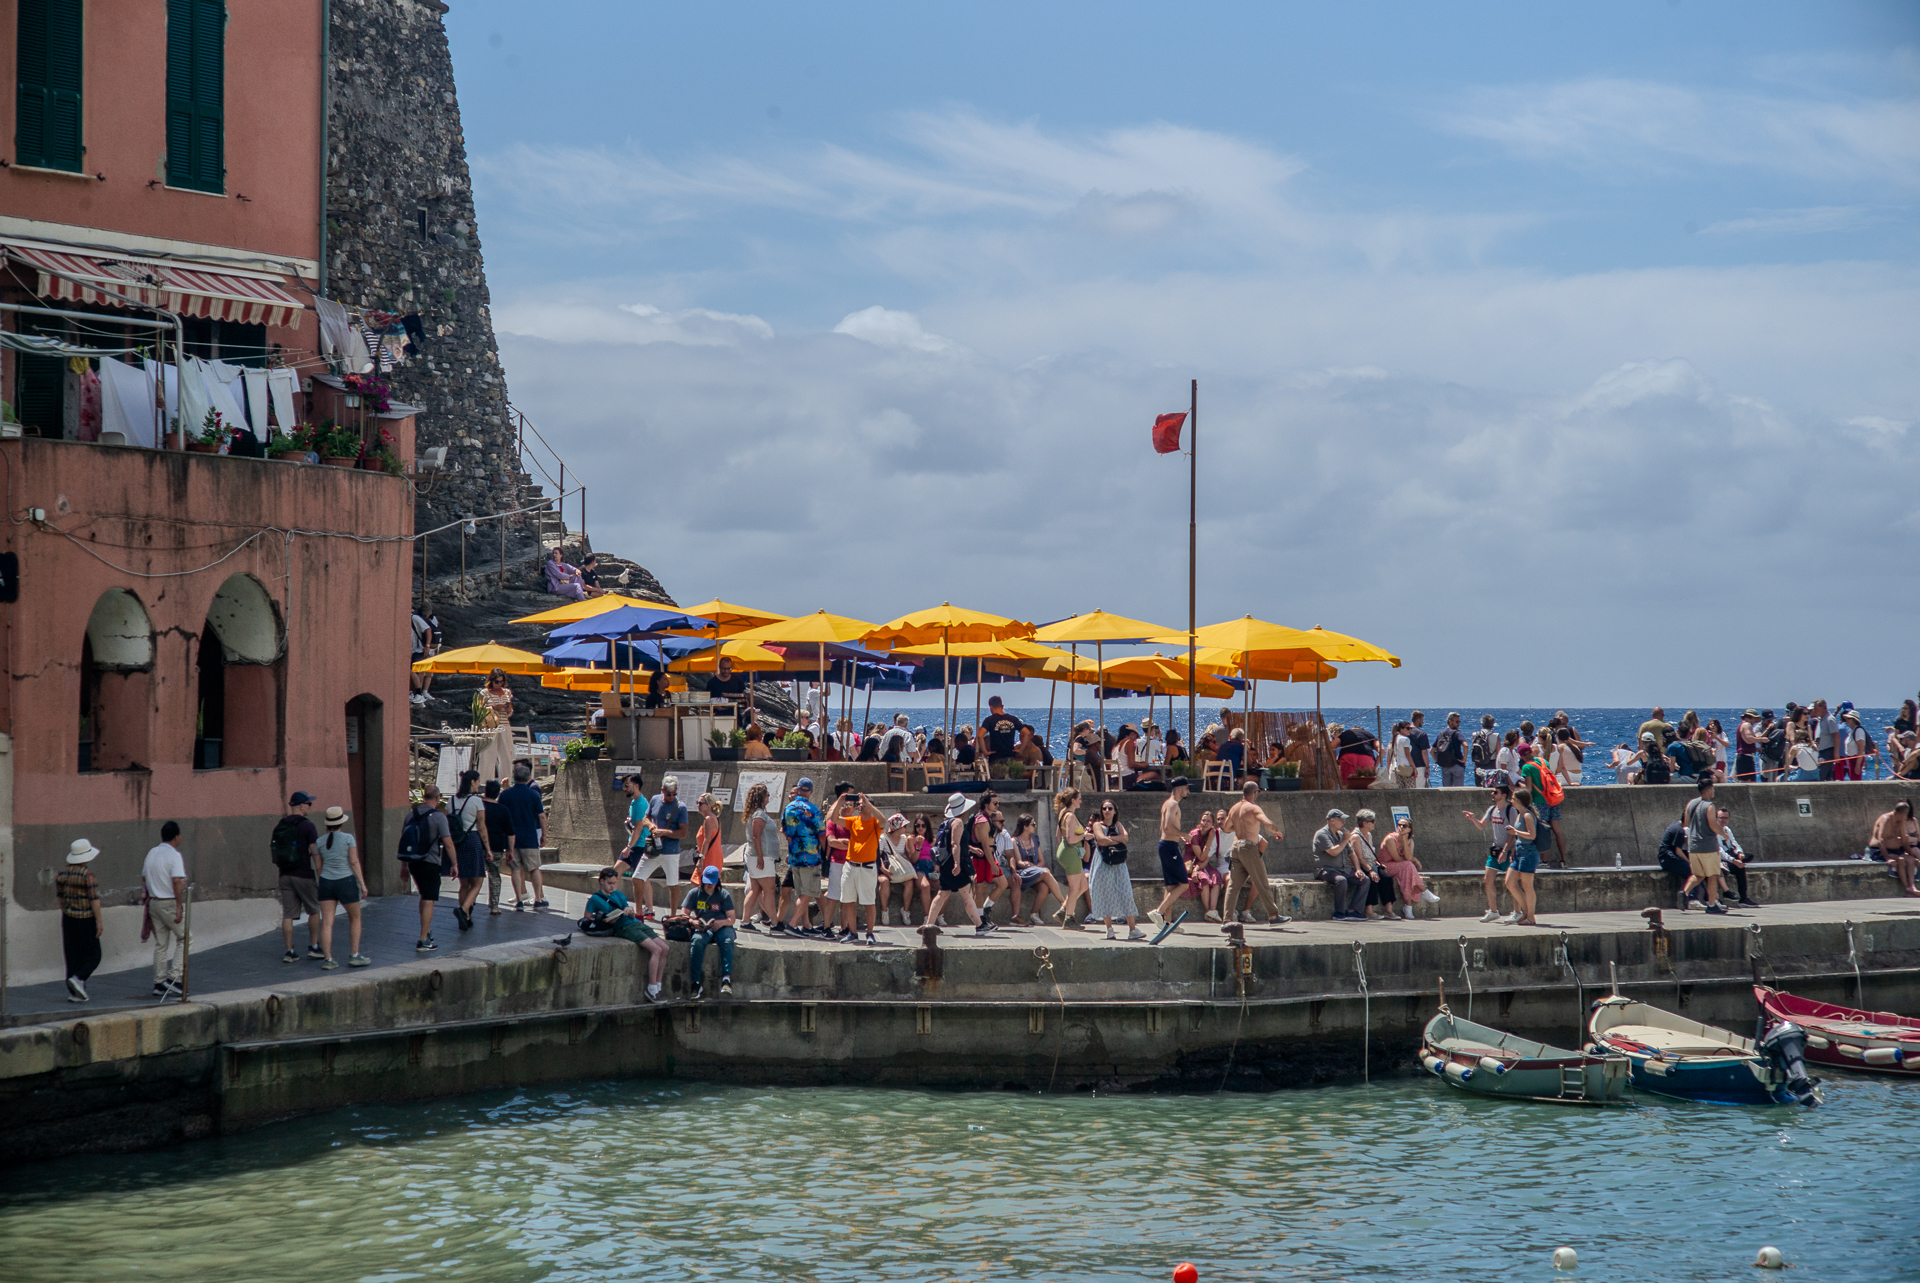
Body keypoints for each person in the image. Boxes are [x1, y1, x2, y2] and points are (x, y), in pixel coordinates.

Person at [585, 867, 668, 1001]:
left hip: (634, 922)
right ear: (601, 882)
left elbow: (631, 912)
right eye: (609, 883)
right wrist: (604, 920)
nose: (612, 886)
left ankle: (658, 986)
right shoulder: (595, 899)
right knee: (656, 950)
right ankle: (651, 988)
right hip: (623, 927)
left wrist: (629, 909)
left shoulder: (618, 895)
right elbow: (586, 919)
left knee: (665, 948)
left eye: (614, 883)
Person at [924, 792, 990, 935]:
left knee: (942, 894)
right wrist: (957, 863)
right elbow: (955, 844)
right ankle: (980, 925)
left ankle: (929, 925)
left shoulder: (946, 823)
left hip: (946, 864)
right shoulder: (958, 822)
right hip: (956, 863)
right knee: (966, 894)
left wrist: (971, 849)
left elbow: (955, 843)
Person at [313, 806, 371, 967]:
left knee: (327, 922)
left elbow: (319, 867)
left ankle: (328, 959)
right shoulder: (348, 838)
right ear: (341, 822)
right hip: (345, 881)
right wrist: (362, 884)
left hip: (326, 882)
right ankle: (354, 955)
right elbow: (353, 861)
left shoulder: (319, 842)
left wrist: (323, 881)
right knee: (355, 919)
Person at [401, 787, 457, 952]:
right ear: (438, 798)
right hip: (430, 862)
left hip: (413, 862)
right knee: (428, 899)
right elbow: (448, 843)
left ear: (424, 797)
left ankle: (426, 930)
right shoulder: (439, 817)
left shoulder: (411, 815)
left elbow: (405, 842)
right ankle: (423, 939)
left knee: (423, 895)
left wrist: (403, 865)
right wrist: (454, 864)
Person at [272, 790, 324, 963]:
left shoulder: (280, 825)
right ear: (301, 806)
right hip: (303, 875)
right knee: (314, 909)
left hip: (284, 875)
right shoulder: (308, 825)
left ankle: (289, 951)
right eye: (309, 804)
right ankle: (314, 946)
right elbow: (315, 852)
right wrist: (320, 873)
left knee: (288, 914)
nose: (310, 807)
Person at [143, 821, 190, 997]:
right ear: (176, 836)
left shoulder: (152, 853)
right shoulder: (174, 855)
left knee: (161, 944)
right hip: (168, 902)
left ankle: (159, 981)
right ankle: (175, 977)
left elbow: (143, 876)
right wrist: (179, 905)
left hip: (154, 902)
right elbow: (177, 881)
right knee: (185, 937)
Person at [832, 789, 884, 943]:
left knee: (869, 902)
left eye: (863, 804)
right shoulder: (854, 820)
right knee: (847, 900)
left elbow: (883, 821)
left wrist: (870, 805)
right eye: (859, 804)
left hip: (867, 868)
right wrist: (839, 802)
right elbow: (834, 818)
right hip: (850, 866)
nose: (860, 806)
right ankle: (852, 932)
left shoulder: (875, 823)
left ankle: (869, 933)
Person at [1086, 799, 1142, 940]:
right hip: (1103, 862)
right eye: (1104, 808)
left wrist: (1109, 838)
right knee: (1105, 893)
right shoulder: (1097, 824)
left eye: (1110, 808)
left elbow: (1125, 837)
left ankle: (1132, 929)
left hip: (1119, 863)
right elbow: (1100, 839)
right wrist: (1116, 839)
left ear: (1115, 810)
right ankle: (1109, 929)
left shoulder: (1118, 824)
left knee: (1126, 893)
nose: (1107, 810)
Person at [57, 838, 104, 1002]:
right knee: (94, 955)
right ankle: (79, 979)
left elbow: (60, 898)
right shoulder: (87, 875)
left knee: (72, 955)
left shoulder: (62, 873)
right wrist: (99, 921)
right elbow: (94, 900)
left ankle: (75, 992)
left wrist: (66, 910)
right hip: (85, 919)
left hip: (68, 919)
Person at [1461, 783, 1516, 923]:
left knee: (1512, 883)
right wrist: (1473, 818)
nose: (1492, 794)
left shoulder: (1511, 810)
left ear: (1504, 795)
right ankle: (1493, 911)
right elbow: (1481, 826)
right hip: (1495, 850)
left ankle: (1517, 912)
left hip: (1509, 851)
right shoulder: (1492, 809)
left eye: (1495, 792)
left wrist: (1505, 852)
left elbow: (1513, 834)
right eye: (1492, 792)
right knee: (1488, 879)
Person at [682, 865, 738, 998]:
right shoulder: (694, 893)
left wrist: (722, 922)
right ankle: (696, 982)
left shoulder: (724, 895)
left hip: (721, 926)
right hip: (702, 926)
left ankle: (726, 979)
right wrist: (692, 921)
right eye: (707, 883)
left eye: (712, 883)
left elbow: (732, 918)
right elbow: (684, 913)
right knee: (697, 942)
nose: (709, 886)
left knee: (727, 941)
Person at [499, 762, 550, 909]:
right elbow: (542, 816)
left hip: (511, 838)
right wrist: (544, 835)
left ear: (514, 777)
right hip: (529, 836)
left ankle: (519, 899)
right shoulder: (533, 794)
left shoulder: (505, 795)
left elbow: (501, 814)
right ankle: (538, 899)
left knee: (515, 868)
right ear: (528, 777)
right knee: (534, 868)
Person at [782, 778, 828, 935]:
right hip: (810, 857)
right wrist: (826, 852)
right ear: (811, 791)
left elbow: (785, 831)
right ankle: (793, 924)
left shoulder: (788, 808)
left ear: (798, 789)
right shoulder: (813, 809)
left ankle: (807, 925)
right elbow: (822, 834)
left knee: (801, 892)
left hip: (794, 856)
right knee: (808, 892)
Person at [1147, 778, 1193, 928]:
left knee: (1172, 886)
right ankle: (1159, 912)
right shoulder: (1173, 804)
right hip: (1169, 846)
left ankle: (1167, 922)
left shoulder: (1168, 803)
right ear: (1179, 790)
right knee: (1184, 884)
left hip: (1167, 845)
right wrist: (1183, 835)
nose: (1188, 792)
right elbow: (1167, 828)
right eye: (1186, 789)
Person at [1678, 776, 1729, 913]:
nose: (1713, 791)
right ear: (1709, 790)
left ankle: (1684, 892)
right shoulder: (1710, 806)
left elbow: (1686, 823)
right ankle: (1712, 905)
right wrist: (1723, 834)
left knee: (1698, 874)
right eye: (1712, 788)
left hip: (1693, 846)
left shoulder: (1691, 803)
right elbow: (1713, 824)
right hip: (1707, 846)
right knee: (1712, 875)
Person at [1007, 813, 1067, 925]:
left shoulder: (1035, 839)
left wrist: (1034, 867)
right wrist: (1035, 868)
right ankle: (1065, 905)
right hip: (1023, 873)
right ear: (1025, 826)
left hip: (1035, 870)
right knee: (1046, 872)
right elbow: (1019, 862)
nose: (1035, 826)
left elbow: (1041, 860)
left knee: (1044, 887)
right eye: (1033, 824)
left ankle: (1033, 914)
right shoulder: (1015, 841)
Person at [1311, 808, 1370, 922]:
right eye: (1341, 820)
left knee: (1365, 880)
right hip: (1325, 870)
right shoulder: (1322, 834)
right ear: (1332, 820)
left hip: (1342, 869)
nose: (1344, 822)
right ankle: (1339, 912)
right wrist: (1345, 840)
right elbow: (1333, 852)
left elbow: (1352, 854)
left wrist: (1358, 869)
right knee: (1341, 880)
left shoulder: (1341, 835)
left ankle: (1354, 910)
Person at [739, 783, 783, 929]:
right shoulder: (759, 814)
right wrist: (760, 856)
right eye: (767, 794)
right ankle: (775, 923)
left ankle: (745, 921)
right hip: (761, 857)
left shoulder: (758, 813)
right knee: (769, 890)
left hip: (758, 856)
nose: (769, 796)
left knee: (755, 889)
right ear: (761, 797)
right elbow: (756, 835)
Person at [1377, 816, 1436, 920]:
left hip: (1400, 867)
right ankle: (1423, 890)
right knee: (1408, 865)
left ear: (1409, 829)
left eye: (1404, 826)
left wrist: (1405, 842)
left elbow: (1408, 857)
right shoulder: (1390, 838)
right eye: (1399, 825)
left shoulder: (1410, 841)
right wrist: (1413, 859)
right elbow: (1397, 858)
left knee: (1407, 875)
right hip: (1385, 866)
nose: (1401, 827)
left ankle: (1408, 907)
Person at [1503, 786, 1542, 926]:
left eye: (1513, 799)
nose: (1511, 801)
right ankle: (1526, 912)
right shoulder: (1519, 814)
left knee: (1527, 886)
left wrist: (1515, 832)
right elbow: (1518, 836)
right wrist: (1513, 850)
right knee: (1510, 882)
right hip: (1519, 851)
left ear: (1519, 800)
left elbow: (1532, 835)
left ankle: (1531, 917)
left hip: (1529, 852)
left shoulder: (1527, 815)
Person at [1054, 789, 1091, 928]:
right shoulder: (1070, 816)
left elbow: (1059, 835)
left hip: (1068, 852)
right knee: (1075, 888)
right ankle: (1069, 919)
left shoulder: (1063, 812)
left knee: (1084, 885)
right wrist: (1084, 836)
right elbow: (1069, 839)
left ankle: (1064, 910)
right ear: (1073, 800)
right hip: (1070, 852)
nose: (1081, 801)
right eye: (1079, 799)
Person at [1715, 806, 1763, 908]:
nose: (1723, 820)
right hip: (1722, 859)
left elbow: (1734, 843)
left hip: (1731, 856)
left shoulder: (1727, 830)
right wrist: (1734, 861)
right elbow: (1720, 851)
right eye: (1721, 818)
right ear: (1716, 818)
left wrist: (1739, 852)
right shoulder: (1714, 832)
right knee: (1739, 867)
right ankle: (1740, 897)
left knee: (1747, 857)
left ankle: (1743, 898)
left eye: (1725, 818)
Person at [1871, 800, 1917, 897]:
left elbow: (1904, 841)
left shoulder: (1900, 822)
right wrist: (1887, 858)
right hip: (1880, 850)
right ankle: (1906, 888)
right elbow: (1881, 840)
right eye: (1905, 815)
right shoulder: (1886, 819)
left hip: (1895, 851)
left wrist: (1913, 855)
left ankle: (1912, 886)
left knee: (1911, 860)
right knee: (1900, 860)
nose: (1906, 817)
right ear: (1901, 813)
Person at [480, 779, 513, 915]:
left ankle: (469, 901)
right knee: (494, 874)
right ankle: (494, 905)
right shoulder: (503, 809)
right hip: (497, 845)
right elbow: (510, 832)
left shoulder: (480, 807)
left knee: (476, 875)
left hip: (480, 844)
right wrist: (510, 850)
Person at [979, 696, 1022, 776]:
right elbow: (1026, 733)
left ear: (990, 707)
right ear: (1002, 706)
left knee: (997, 784)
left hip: (995, 757)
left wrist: (985, 752)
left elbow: (980, 735)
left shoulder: (989, 720)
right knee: (1011, 782)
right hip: (1010, 756)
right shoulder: (1013, 719)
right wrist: (1021, 749)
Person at [691, 793, 725, 879]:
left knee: (700, 883)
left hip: (709, 856)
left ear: (709, 806)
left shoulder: (709, 819)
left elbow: (707, 840)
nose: (698, 805)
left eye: (701, 803)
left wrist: (701, 859)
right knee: (701, 883)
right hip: (713, 855)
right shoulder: (714, 818)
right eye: (697, 802)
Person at [1433, 712, 1468, 788]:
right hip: (1457, 765)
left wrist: (1437, 761)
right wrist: (1464, 759)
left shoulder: (1441, 734)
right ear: (1450, 721)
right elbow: (1465, 745)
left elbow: (1431, 750)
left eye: (1459, 722)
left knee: (1446, 791)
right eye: (1457, 722)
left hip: (1445, 766)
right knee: (1458, 791)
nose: (1458, 724)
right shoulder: (1457, 733)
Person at [409, 610, 434, 706]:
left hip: (419, 649)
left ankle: (418, 693)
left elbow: (427, 630)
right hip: (412, 650)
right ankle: (416, 693)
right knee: (414, 671)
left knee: (415, 671)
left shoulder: (414, 618)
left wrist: (427, 646)